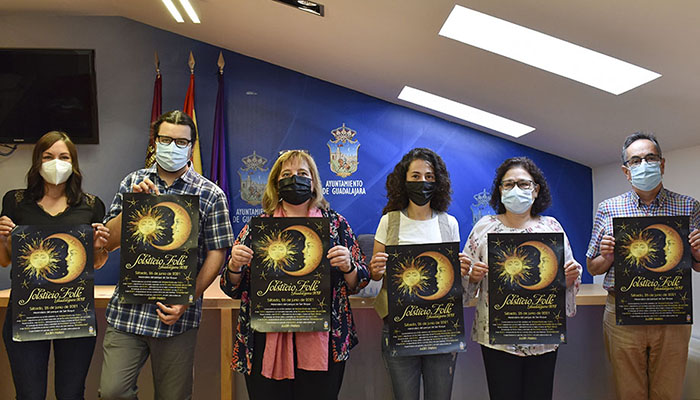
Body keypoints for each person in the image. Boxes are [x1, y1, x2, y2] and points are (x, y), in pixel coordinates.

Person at [98, 110, 235, 400]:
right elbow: (107, 243)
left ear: (191, 147)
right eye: (165, 139)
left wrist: (188, 298)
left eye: (181, 141)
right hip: (128, 313)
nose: (173, 147)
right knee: (112, 392)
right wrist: (134, 205)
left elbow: (218, 252)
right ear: (155, 142)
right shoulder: (132, 182)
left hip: (176, 318)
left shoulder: (210, 194)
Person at [221, 150, 370, 400]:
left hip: (324, 340)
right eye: (287, 174)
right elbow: (231, 287)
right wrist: (235, 265)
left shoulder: (336, 225)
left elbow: (360, 281)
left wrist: (349, 267)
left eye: (302, 173)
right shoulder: (258, 227)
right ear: (275, 183)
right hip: (265, 338)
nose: (295, 179)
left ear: (313, 182)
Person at [586, 132, 700, 400]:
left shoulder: (689, 206)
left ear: (662, 164)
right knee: (628, 392)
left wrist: (697, 252)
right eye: (636, 161)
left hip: (672, 311)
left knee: (668, 392)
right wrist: (608, 256)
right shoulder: (608, 208)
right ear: (626, 171)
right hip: (623, 312)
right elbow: (592, 267)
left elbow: (698, 265)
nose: (644, 165)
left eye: (650, 158)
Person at [0, 131, 110, 400]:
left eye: (64, 157)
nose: (56, 163)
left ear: (74, 163)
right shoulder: (15, 201)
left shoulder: (91, 205)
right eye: (48, 157)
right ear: (37, 161)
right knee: (29, 395)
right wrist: (2, 239)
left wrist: (98, 246)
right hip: (27, 311)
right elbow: (5, 260)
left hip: (74, 311)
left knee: (71, 394)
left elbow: (96, 263)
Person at [464, 156, 581, 400]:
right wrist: (472, 277)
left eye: (524, 184)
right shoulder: (484, 228)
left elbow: (566, 280)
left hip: (542, 334)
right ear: (500, 190)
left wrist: (569, 279)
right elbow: (465, 284)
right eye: (508, 184)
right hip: (498, 338)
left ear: (536, 190)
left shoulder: (551, 228)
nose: (516, 189)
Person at [368, 147, 470, 400]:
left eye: (429, 176)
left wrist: (462, 270)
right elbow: (375, 278)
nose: (422, 182)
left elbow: (452, 280)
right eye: (415, 176)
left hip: (441, 327)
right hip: (399, 327)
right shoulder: (389, 221)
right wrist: (375, 270)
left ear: (438, 182)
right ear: (403, 181)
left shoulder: (449, 223)